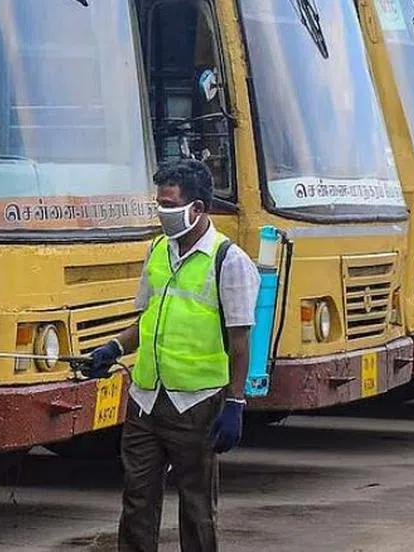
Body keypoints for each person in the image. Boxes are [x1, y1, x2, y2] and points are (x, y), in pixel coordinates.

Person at [86, 159, 259, 552]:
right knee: (136, 504)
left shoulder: (228, 262)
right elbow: (146, 321)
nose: (161, 213)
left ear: (197, 209)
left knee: (197, 511)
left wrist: (235, 402)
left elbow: (240, 342)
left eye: (169, 205)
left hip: (197, 404)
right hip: (146, 400)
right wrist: (113, 348)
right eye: (159, 204)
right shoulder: (158, 251)